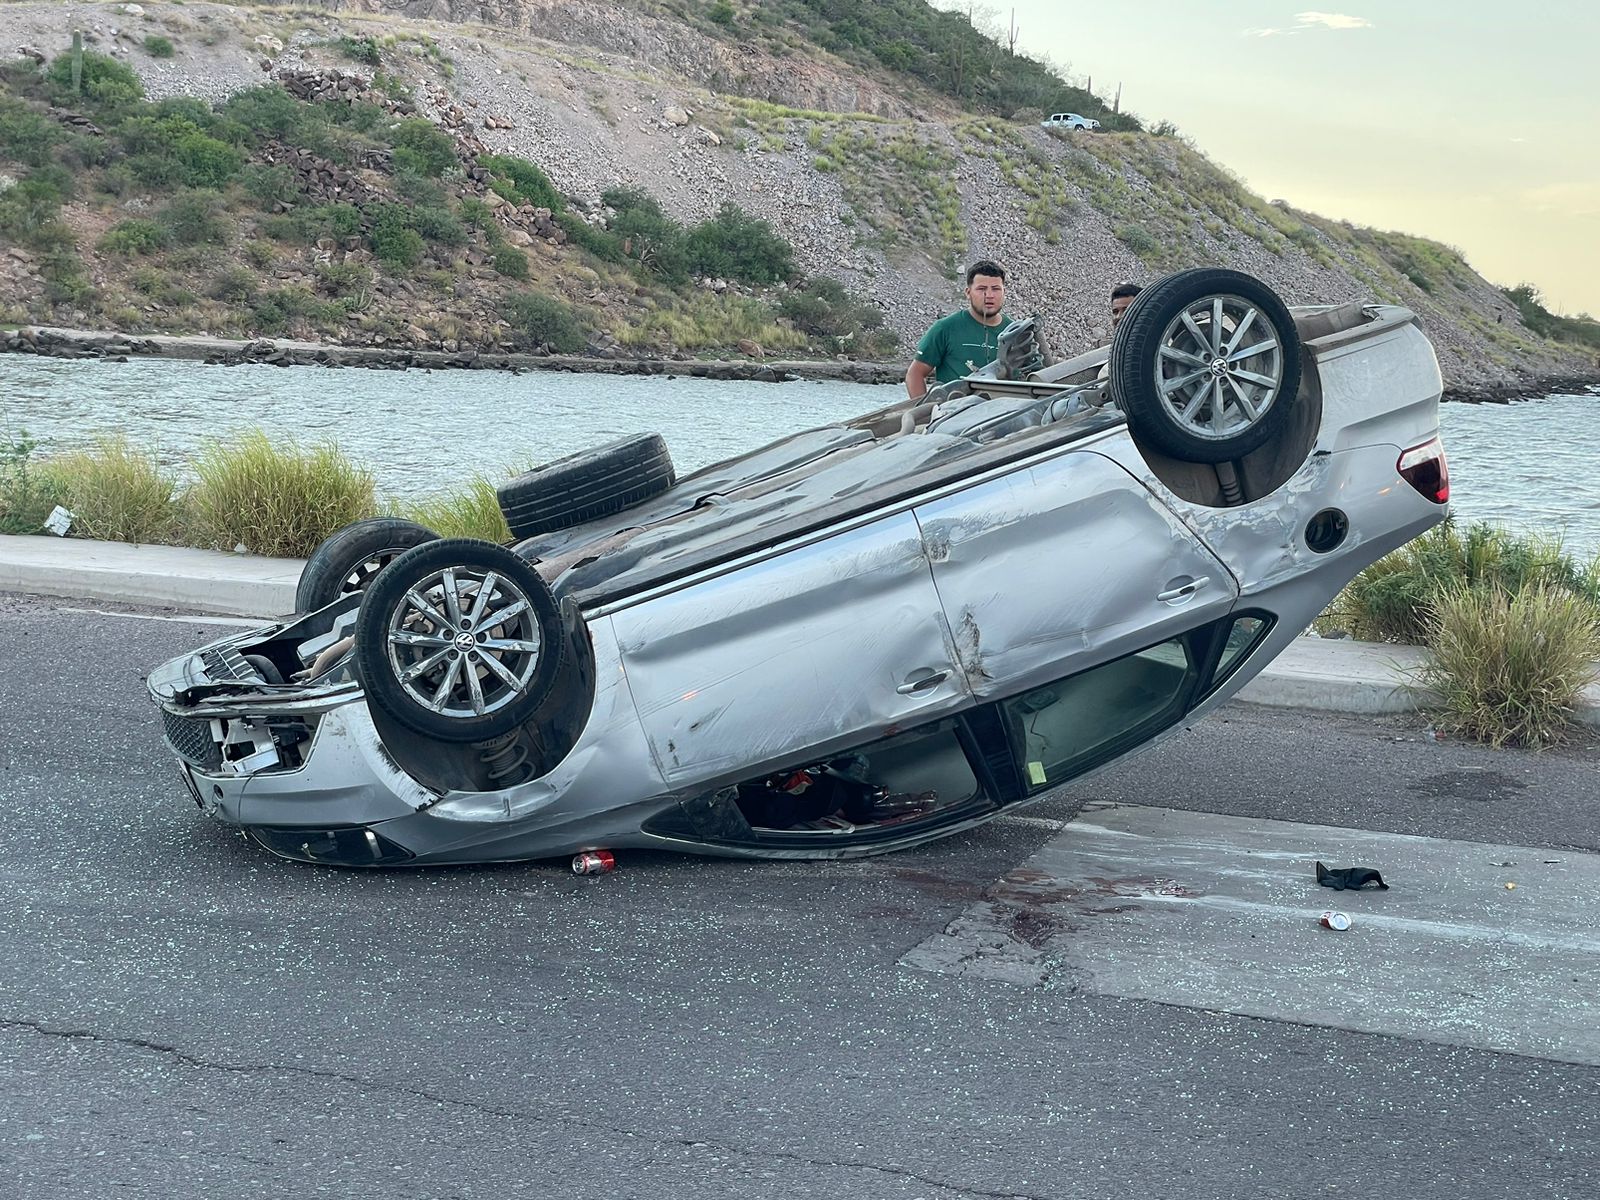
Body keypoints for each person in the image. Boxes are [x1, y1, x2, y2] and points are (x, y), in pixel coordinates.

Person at [905, 260, 1009, 400]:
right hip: (953, 414)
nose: (989, 295)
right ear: (968, 292)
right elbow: (915, 374)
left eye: (996, 289)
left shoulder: (1015, 332)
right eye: (982, 289)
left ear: (1004, 292)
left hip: (1005, 415)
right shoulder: (945, 328)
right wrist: (926, 412)